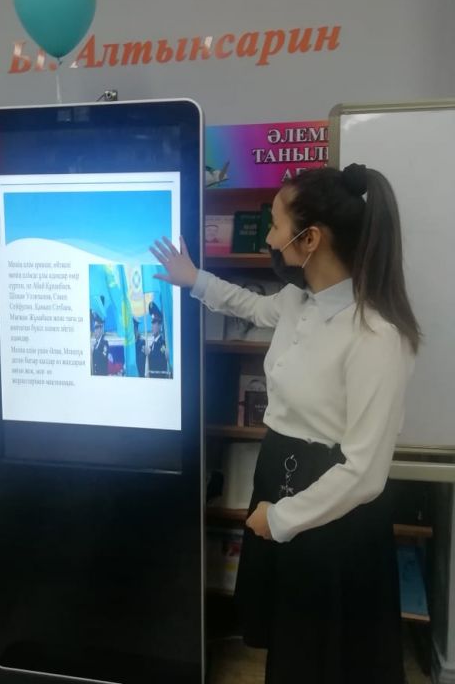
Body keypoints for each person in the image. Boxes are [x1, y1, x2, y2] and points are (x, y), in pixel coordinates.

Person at [150, 163, 420, 684]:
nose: (270, 239)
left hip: (331, 506)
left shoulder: (376, 337)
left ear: (310, 239)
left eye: (275, 226)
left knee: (323, 648)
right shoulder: (300, 301)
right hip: (279, 475)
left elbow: (364, 473)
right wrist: (194, 279)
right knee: (290, 635)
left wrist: (279, 519)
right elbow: (253, 307)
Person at [147, 302, 170, 378]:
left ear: (160, 325)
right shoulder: (152, 345)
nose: (152, 326)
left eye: (154, 322)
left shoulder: (163, 344)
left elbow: (160, 362)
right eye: (152, 323)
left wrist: (150, 353)